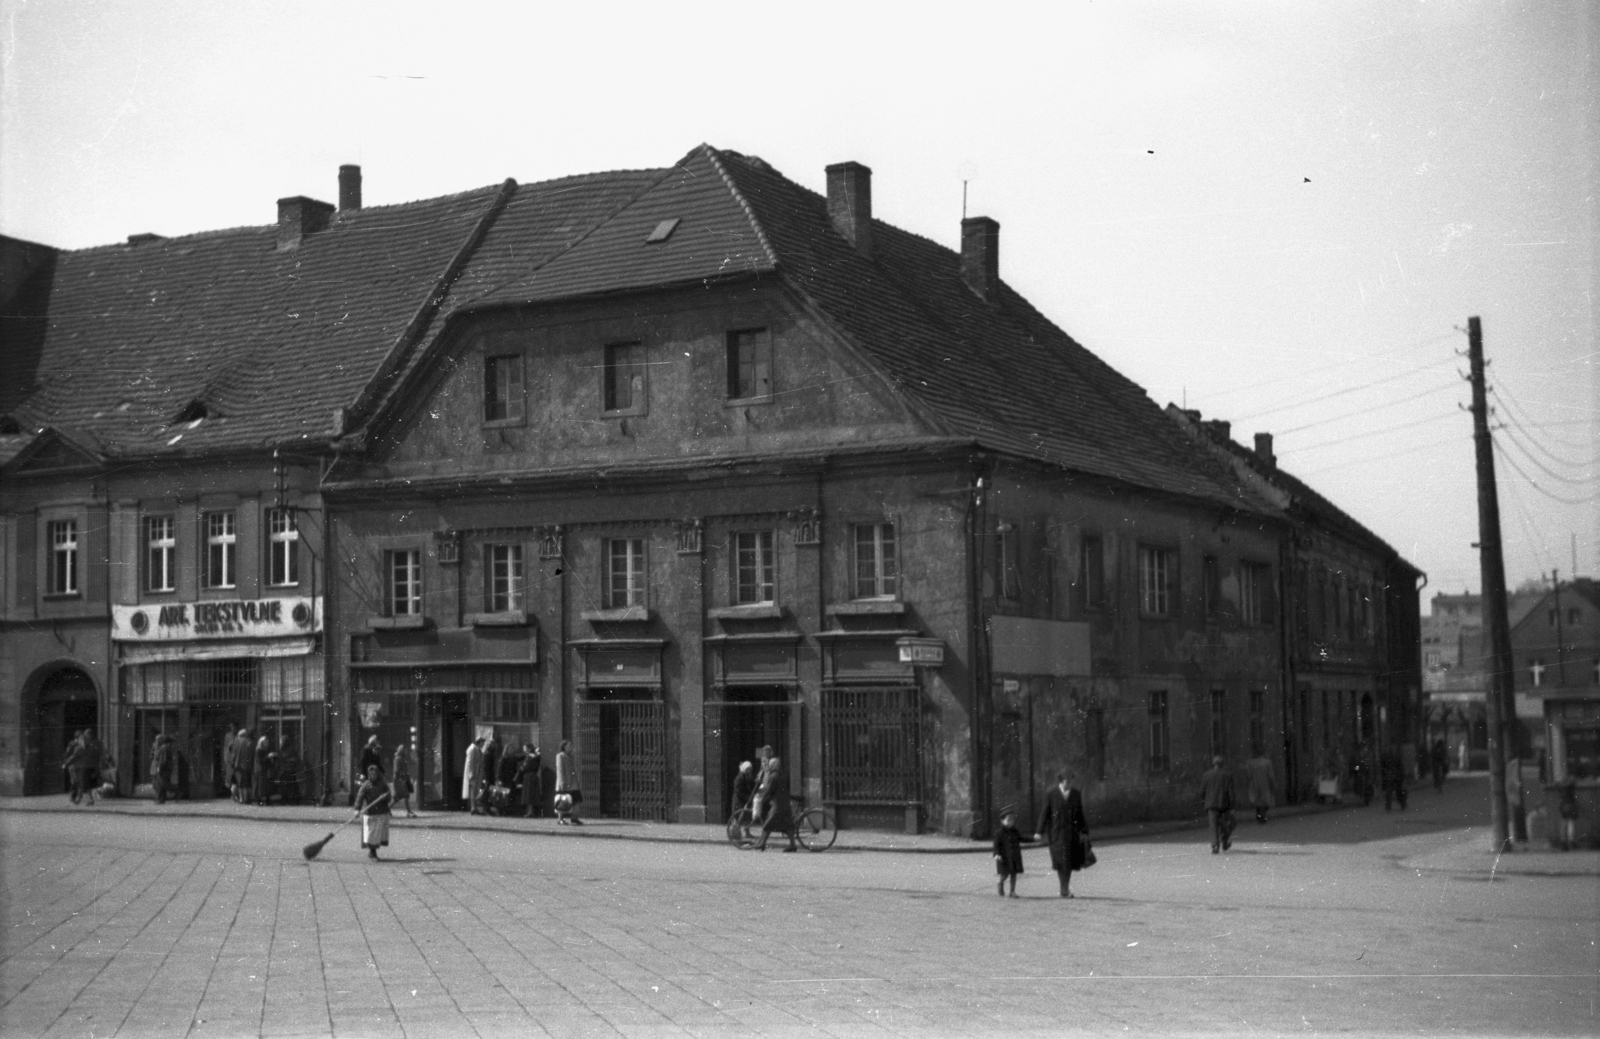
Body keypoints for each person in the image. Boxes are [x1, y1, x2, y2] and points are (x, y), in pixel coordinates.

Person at [1035, 770, 1090, 897]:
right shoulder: (1052, 793)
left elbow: (1080, 813)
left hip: (1072, 833)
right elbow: (1045, 812)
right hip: (1057, 833)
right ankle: (1064, 889)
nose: (1070, 783)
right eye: (1067, 781)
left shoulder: (1076, 794)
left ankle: (1064, 889)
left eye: (1071, 780)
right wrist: (1039, 831)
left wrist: (1084, 830)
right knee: (1061, 861)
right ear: (1061, 781)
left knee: (1069, 861)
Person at [753, 745, 796, 852]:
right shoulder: (781, 774)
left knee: (769, 822)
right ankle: (793, 844)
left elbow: (770, 789)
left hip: (777, 803)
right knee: (788, 824)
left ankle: (762, 843)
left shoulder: (774, 776)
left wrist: (764, 797)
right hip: (784, 802)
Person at [354, 764, 393, 860]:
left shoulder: (383, 784)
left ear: (377, 774)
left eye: (374, 774)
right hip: (370, 813)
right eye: (370, 774)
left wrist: (385, 797)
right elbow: (360, 797)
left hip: (381, 812)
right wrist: (357, 809)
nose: (372, 776)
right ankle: (372, 852)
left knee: (378, 834)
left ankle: (373, 852)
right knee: (372, 834)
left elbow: (389, 796)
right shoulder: (366, 785)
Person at [1200, 755, 1235, 854]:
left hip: (1211, 805)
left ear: (1213, 763)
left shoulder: (1207, 774)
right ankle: (1224, 842)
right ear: (1223, 764)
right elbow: (1231, 792)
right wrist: (1232, 805)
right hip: (1224, 805)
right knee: (1227, 824)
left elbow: (1201, 791)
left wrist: (1204, 801)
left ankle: (1215, 845)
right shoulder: (1228, 774)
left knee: (1213, 825)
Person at [993, 809, 1025, 898]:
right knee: (1005, 874)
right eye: (1008, 820)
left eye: (1012, 820)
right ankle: (1000, 883)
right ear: (1002, 821)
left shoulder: (1014, 831)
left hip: (1014, 857)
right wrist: (996, 854)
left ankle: (1012, 891)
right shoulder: (998, 833)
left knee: (1014, 874)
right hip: (1004, 858)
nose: (1011, 822)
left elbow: (1022, 838)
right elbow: (996, 846)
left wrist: (1033, 839)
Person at [554, 739, 583, 825]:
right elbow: (560, 770)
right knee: (563, 801)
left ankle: (574, 818)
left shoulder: (571, 756)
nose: (572, 747)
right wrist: (562, 782)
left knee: (577, 800)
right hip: (565, 783)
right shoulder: (560, 756)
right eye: (570, 745)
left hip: (573, 784)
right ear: (564, 746)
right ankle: (560, 819)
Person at [1246, 752, 1275, 825]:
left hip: (1254, 784)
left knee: (1257, 801)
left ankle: (1259, 816)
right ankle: (1261, 817)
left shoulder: (1250, 762)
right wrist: (1273, 784)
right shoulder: (1267, 762)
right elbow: (1271, 775)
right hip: (1265, 784)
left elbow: (1248, 775)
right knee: (1265, 802)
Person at [731, 760, 756, 842]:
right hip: (739, 801)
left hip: (745, 800)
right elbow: (738, 791)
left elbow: (752, 785)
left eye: (750, 769)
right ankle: (736, 834)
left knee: (746, 817)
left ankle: (747, 832)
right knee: (738, 818)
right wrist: (747, 798)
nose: (750, 770)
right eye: (748, 769)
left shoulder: (748, 776)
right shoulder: (740, 778)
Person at [76, 730, 102, 806]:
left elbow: (97, 757)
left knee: (86, 784)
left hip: (88, 767)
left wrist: (97, 768)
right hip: (84, 767)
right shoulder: (82, 747)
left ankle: (86, 799)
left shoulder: (93, 746)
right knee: (84, 784)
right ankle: (83, 799)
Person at [392, 742, 417, 818]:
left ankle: (387, 809)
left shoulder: (402, 758)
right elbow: (397, 770)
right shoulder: (398, 759)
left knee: (398, 797)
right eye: (405, 750)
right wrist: (404, 774)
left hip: (402, 780)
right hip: (399, 780)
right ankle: (409, 812)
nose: (406, 752)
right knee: (405, 796)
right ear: (402, 751)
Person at [517, 744, 542, 818]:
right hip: (530, 776)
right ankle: (529, 811)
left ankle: (530, 812)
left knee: (529, 795)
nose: (524, 750)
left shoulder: (531, 756)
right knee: (529, 795)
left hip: (529, 776)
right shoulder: (532, 756)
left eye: (525, 748)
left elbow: (524, 766)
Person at [63, 730, 87, 804]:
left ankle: (76, 796)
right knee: (75, 781)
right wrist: (67, 762)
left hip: (80, 765)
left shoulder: (83, 744)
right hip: (73, 765)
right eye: (81, 737)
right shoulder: (73, 744)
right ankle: (74, 796)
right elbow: (69, 754)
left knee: (78, 781)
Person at [150, 733, 175, 805]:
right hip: (161, 767)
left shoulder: (164, 747)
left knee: (161, 783)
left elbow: (163, 759)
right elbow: (153, 756)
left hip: (163, 768)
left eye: (158, 740)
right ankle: (160, 799)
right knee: (158, 784)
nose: (157, 741)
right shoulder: (161, 747)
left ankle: (175, 790)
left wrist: (159, 767)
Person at [479, 736, 501, 815]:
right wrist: (487, 778)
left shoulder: (488, 753)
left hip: (489, 776)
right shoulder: (487, 754)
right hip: (488, 776)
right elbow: (487, 767)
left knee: (488, 792)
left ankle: (487, 808)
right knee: (487, 792)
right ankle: (485, 808)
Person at [462, 736, 484, 814]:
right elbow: (470, 762)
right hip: (474, 774)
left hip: (477, 773)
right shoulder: (472, 749)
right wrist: (471, 774)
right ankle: (473, 807)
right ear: (479, 742)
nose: (483, 744)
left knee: (475, 791)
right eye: (482, 742)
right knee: (473, 791)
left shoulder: (477, 749)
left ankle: (475, 807)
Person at [1558, 779, 1580, 850]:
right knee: (1570, 823)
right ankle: (1571, 840)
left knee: (1564, 823)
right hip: (1570, 805)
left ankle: (1563, 841)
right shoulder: (1571, 790)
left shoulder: (1562, 789)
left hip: (1564, 805)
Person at [233, 729, 254, 804]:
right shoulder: (250, 742)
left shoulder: (237, 741)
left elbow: (234, 753)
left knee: (241, 784)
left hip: (239, 765)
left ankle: (242, 799)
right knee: (248, 783)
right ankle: (248, 798)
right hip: (248, 766)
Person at [253, 734, 272, 805]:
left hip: (264, 769)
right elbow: (260, 760)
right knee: (260, 785)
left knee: (265, 785)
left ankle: (266, 799)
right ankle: (259, 800)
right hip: (260, 769)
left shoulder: (265, 749)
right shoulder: (259, 750)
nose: (267, 743)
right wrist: (268, 756)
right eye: (265, 742)